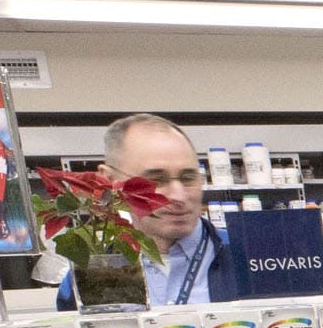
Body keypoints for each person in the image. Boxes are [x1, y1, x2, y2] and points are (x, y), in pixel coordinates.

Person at [106, 112, 253, 305]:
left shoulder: (251, 260)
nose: (179, 196)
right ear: (112, 182)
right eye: (156, 180)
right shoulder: (91, 274)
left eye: (188, 178)